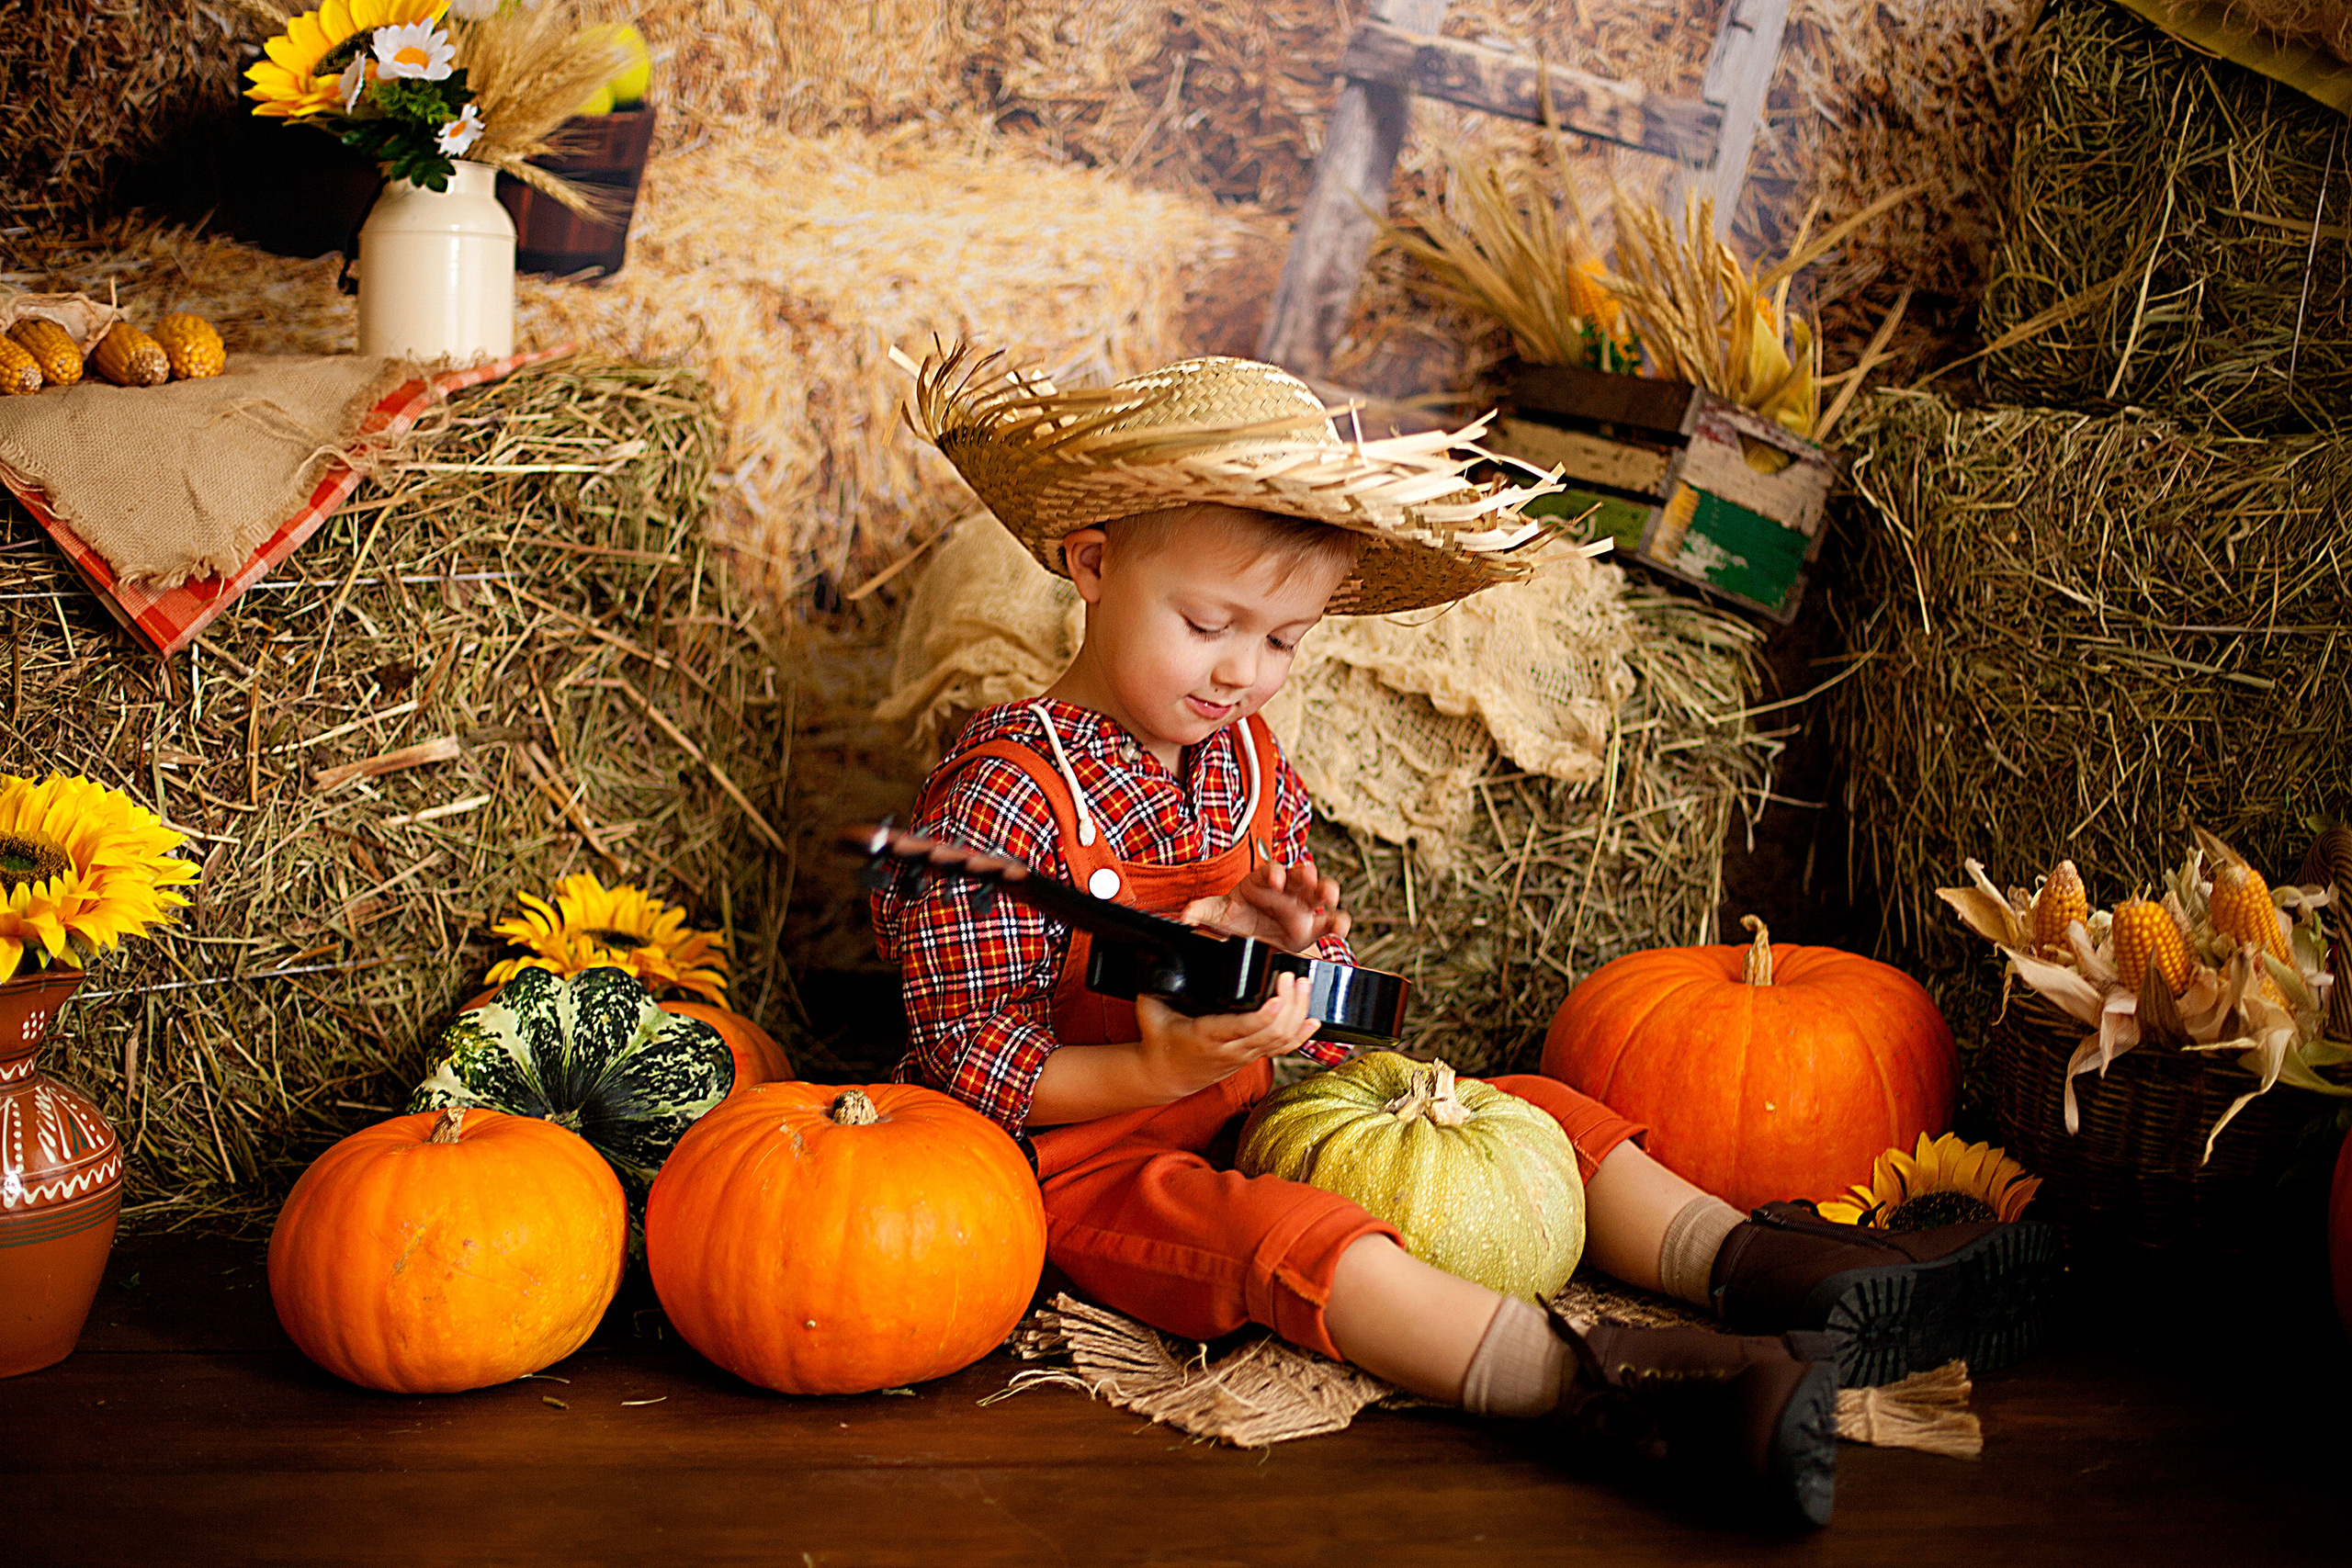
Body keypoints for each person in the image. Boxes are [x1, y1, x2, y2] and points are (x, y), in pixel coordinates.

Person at [873, 346, 2059, 1528]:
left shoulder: (1243, 765)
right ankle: (1606, 1390)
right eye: (1207, 624)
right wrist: (1154, 1068)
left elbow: (1318, 1029)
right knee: (1286, 1235)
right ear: (1090, 563)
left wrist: (1297, 969)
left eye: (1283, 640)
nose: (1243, 671)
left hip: (1234, 1108)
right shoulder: (1006, 796)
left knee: (1527, 1109)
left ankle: (1781, 1271)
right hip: (1084, 1165)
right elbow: (967, 1068)